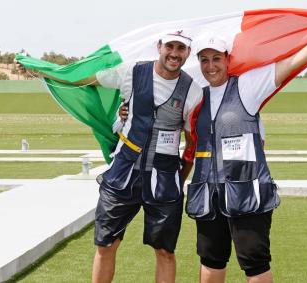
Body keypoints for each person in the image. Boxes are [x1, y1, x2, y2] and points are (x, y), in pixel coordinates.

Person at [18, 31, 202, 283]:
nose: (174, 53)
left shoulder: (193, 91)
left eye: (181, 49)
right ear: (159, 46)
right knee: (106, 244)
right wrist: (42, 70)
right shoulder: (131, 72)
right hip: (123, 172)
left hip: (164, 176)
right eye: (169, 46)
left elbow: (192, 142)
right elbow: (83, 79)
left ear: (188, 53)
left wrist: (178, 180)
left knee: (165, 250)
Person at [183, 19, 307, 283]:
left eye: (216, 58)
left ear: (227, 59)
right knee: (211, 260)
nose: (210, 66)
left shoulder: (247, 87)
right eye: (204, 60)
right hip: (208, 195)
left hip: (247, 194)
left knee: (254, 263)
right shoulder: (196, 96)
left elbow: (290, 64)